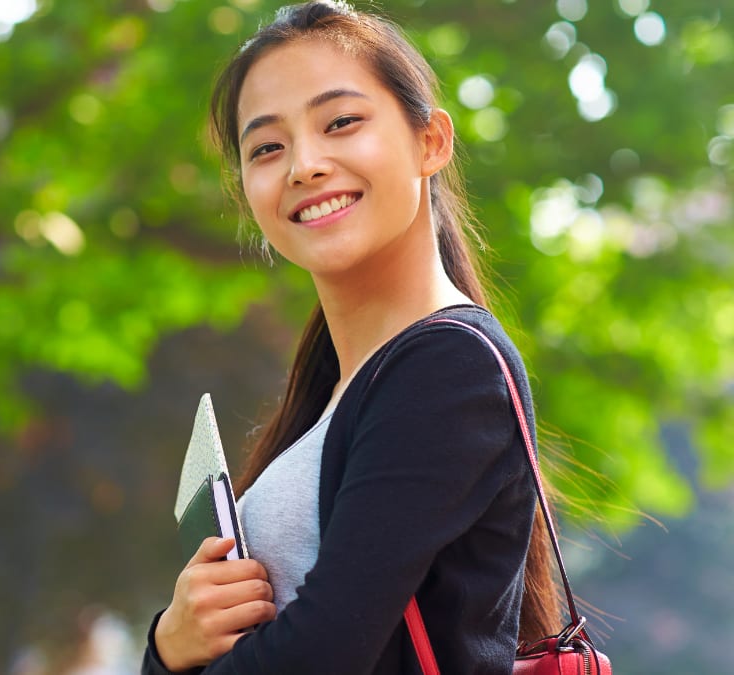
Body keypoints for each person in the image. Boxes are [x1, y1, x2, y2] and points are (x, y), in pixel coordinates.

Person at [142, 2, 565, 673]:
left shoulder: (448, 369)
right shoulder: (338, 386)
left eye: (341, 122)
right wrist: (174, 639)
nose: (304, 165)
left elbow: (323, 651)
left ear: (431, 141)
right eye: (267, 147)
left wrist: (162, 661)